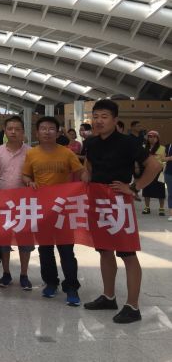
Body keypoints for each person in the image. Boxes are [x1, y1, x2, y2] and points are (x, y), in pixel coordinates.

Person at [83, 99, 161, 323]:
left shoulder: (128, 142)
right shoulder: (91, 142)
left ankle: (133, 306)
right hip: (98, 201)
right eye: (95, 116)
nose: (98, 121)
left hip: (118, 202)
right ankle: (108, 297)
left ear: (115, 120)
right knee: (104, 250)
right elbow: (89, 164)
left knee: (127, 253)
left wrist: (134, 187)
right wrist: (87, 173)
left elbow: (155, 166)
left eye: (104, 116)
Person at [22, 116, 85, 306]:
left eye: (51, 129)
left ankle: (71, 287)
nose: (47, 132)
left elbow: (80, 172)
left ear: (58, 133)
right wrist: (29, 182)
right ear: (37, 132)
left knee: (66, 250)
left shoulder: (67, 153)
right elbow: (25, 175)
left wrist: (79, 186)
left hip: (63, 209)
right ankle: (51, 282)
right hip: (42, 209)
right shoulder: (32, 154)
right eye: (43, 128)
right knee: (45, 249)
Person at [0, 115, 34, 290]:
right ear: (5, 131)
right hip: (3, 202)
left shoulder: (31, 152)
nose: (13, 132)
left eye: (17, 129)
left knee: (25, 240)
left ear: (23, 132)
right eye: (10, 129)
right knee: (4, 240)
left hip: (24, 203)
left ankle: (24, 275)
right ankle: (6, 273)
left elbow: (34, 175)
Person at [140, 130, 166, 216]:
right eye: (150, 137)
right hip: (147, 171)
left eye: (154, 137)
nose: (152, 138)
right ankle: (147, 207)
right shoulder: (144, 147)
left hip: (158, 171)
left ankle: (161, 208)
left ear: (158, 138)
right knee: (146, 190)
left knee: (160, 190)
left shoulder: (162, 148)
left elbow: (163, 159)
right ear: (147, 138)